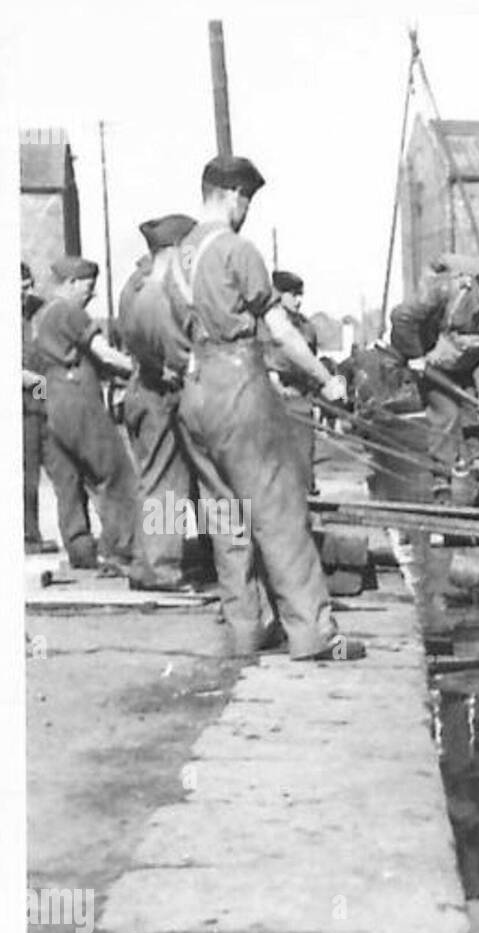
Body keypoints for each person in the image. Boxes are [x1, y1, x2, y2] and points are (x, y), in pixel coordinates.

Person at [170, 155, 361, 661]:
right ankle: (314, 635)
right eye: (247, 199)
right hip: (238, 386)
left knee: (227, 513)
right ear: (232, 193)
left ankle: (247, 628)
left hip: (195, 389)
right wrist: (326, 378)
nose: (247, 209)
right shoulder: (236, 249)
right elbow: (281, 331)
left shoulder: (179, 255)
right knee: (278, 510)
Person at [117, 214, 212, 590]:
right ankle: (159, 570)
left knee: (168, 483)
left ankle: (158, 563)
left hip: (148, 391)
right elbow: (165, 351)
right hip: (160, 394)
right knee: (166, 486)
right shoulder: (159, 291)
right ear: (173, 250)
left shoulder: (136, 286)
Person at [30, 255, 139, 573]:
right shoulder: (70, 312)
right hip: (78, 398)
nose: (91, 294)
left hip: (53, 397)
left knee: (69, 479)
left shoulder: (42, 315)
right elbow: (103, 352)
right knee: (115, 474)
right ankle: (120, 550)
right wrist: (141, 368)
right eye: (88, 287)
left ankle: (81, 550)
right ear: (71, 283)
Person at [388, 256, 479, 499]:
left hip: (465, 366)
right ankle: (442, 484)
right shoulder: (446, 289)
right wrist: (415, 356)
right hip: (431, 363)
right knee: (447, 416)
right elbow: (401, 317)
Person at [264, 269, 319, 492]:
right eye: (293, 294)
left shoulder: (307, 328)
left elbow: (312, 364)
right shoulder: (263, 325)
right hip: (269, 400)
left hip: (299, 400)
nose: (298, 301)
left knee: (303, 463)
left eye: (300, 295)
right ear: (279, 294)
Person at [21, 263, 57, 554]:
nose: (28, 293)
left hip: (41, 402)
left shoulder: (36, 312)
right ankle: (27, 536)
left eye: (29, 286)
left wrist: (44, 387)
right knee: (25, 475)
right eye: (21, 289)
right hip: (20, 409)